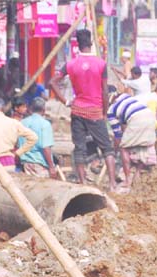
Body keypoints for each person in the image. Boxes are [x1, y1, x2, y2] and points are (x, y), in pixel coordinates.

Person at [50, 30, 118, 189]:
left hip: (77, 110)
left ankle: (83, 184)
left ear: (77, 45)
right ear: (91, 43)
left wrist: (66, 101)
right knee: (107, 149)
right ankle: (113, 184)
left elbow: (52, 82)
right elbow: (105, 92)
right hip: (95, 111)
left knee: (79, 148)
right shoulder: (101, 64)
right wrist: (104, 113)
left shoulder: (70, 64)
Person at [107, 87, 157, 192]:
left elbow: (118, 136)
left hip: (137, 119)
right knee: (143, 145)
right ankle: (137, 174)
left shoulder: (111, 111)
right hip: (150, 116)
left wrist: (116, 149)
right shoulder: (125, 96)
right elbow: (125, 124)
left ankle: (127, 180)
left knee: (124, 148)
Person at [18, 97, 57, 178]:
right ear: (43, 110)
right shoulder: (45, 124)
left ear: (30, 109)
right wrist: (51, 167)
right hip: (39, 166)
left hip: (24, 165)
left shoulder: (22, 123)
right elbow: (46, 148)